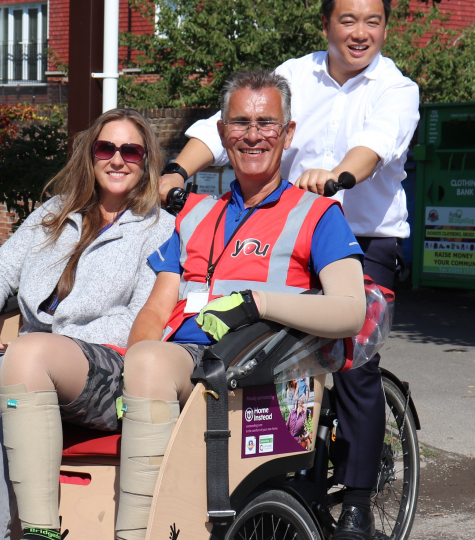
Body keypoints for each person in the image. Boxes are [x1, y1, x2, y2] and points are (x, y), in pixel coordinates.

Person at [159, 1, 419, 537]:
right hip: (288, 227)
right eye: (347, 20)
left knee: (350, 358)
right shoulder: (297, 73)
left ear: (386, 28)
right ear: (325, 25)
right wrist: (176, 170)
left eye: (372, 21)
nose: (360, 33)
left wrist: (337, 177)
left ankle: (358, 501)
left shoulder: (396, 89)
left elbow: (373, 146)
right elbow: (227, 125)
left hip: (365, 236)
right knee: (273, 346)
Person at [114, 70, 367, 540]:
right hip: (183, 363)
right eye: (240, 123)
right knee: (135, 362)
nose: (253, 135)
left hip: (259, 373)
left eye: (267, 123)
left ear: (288, 134)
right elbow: (154, 311)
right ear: (222, 132)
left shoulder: (317, 214)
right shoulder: (196, 213)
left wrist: (258, 302)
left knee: (149, 365)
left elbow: (352, 311)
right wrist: (133, 366)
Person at [0, 108, 174, 540]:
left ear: (146, 161)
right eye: (106, 148)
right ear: (90, 155)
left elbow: (142, 317)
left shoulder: (160, 229)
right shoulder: (55, 212)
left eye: (131, 151)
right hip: (25, 353)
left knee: (12, 371)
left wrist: (53, 347)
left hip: (101, 368)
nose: (117, 159)